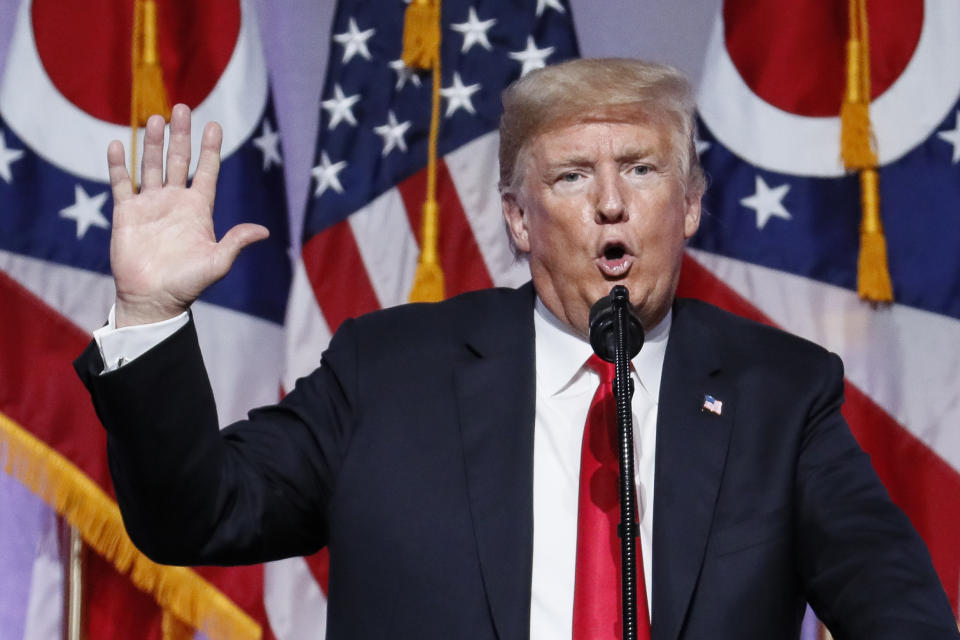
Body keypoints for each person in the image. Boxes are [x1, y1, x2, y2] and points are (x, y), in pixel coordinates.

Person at [75, 59, 959, 639]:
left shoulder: (781, 393)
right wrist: (150, 312)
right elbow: (194, 515)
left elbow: (893, 600)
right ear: (517, 218)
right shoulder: (387, 372)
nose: (611, 203)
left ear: (688, 205)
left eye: (642, 170)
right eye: (572, 176)